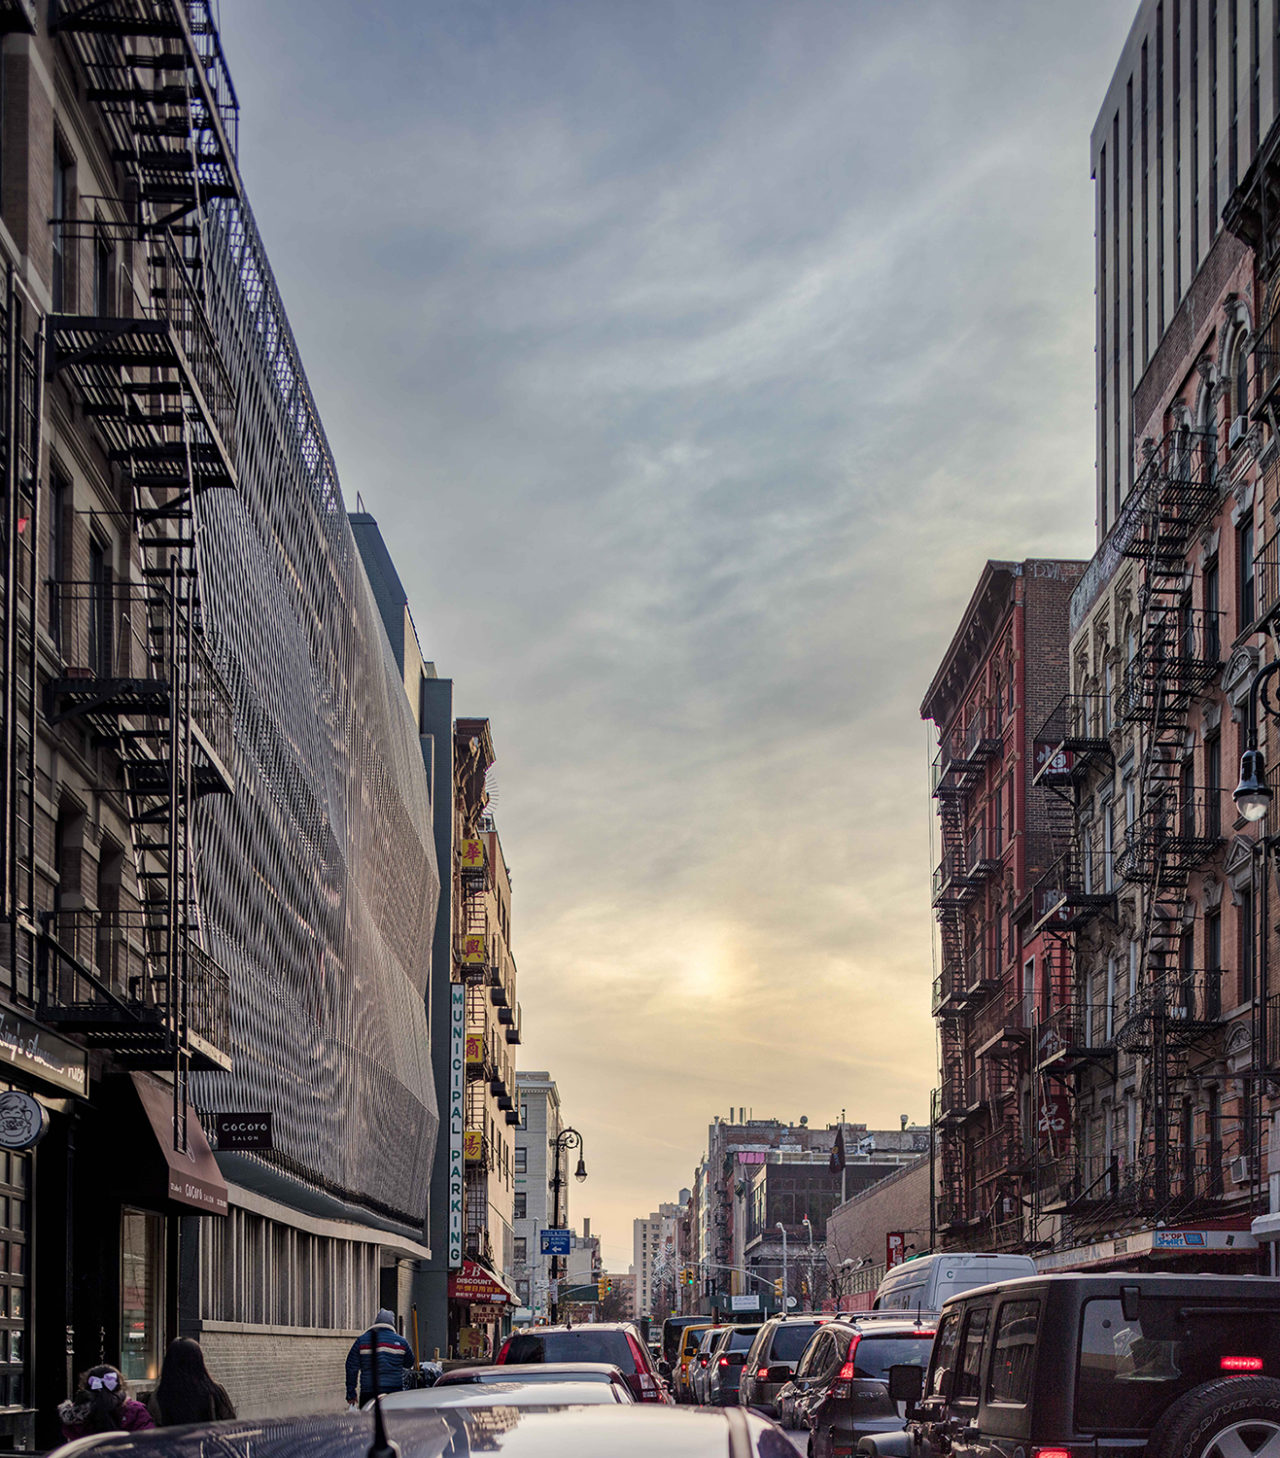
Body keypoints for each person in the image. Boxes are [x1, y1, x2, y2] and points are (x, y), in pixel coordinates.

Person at [149, 1338, 236, 1426]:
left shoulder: (158, 1396)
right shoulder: (214, 1391)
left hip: (172, 1439)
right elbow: (230, 1424)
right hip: (207, 1439)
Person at [58, 1365, 156, 1441]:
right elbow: (147, 1439)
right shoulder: (135, 1410)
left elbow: (70, 1434)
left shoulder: (77, 1414)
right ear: (120, 1385)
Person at [345, 1308, 415, 1408]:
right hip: (394, 1391)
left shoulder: (362, 1341)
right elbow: (409, 1363)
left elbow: (351, 1367)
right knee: (392, 1421)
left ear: (376, 1322)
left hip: (369, 1391)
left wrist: (351, 1393)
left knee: (368, 1421)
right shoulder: (402, 1342)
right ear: (392, 1324)